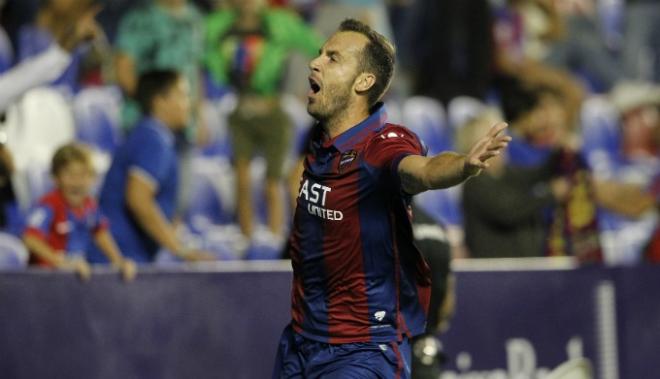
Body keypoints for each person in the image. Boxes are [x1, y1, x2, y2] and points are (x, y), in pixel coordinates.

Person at [272, 19, 510, 378]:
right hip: (300, 344)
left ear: (363, 82)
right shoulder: (321, 142)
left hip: (360, 354)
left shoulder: (384, 144)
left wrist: (463, 165)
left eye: (333, 58)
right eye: (321, 53)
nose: (315, 62)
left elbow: (424, 170)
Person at [204, 0, 322, 239]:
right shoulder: (218, 26)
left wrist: (314, 85)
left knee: (273, 183)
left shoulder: (279, 23)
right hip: (241, 112)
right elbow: (202, 54)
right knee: (242, 179)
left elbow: (317, 47)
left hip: (272, 112)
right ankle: (247, 239)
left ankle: (275, 237)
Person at [93, 70, 211, 264]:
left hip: (127, 258)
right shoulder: (153, 139)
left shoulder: (152, 135)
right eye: (182, 95)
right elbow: (138, 199)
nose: (188, 104)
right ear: (159, 101)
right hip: (119, 261)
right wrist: (180, 249)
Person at [22, 143, 136, 281]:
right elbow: (30, 239)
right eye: (69, 174)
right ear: (55, 178)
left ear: (93, 178)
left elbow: (100, 232)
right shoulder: (49, 205)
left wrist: (118, 261)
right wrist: (61, 263)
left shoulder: (89, 205)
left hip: (72, 280)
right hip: (46, 281)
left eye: (83, 175)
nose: (77, 182)